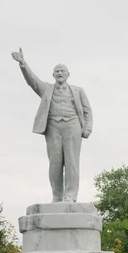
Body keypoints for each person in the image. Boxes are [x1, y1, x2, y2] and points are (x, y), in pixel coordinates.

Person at [11, 48, 93, 202]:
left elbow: (87, 110)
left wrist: (87, 128)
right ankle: (57, 196)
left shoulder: (78, 91)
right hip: (53, 127)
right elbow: (32, 81)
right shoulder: (47, 89)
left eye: (62, 71)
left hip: (73, 125)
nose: (60, 73)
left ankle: (70, 196)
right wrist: (23, 64)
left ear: (68, 74)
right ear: (53, 75)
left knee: (72, 162)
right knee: (55, 162)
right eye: (57, 71)